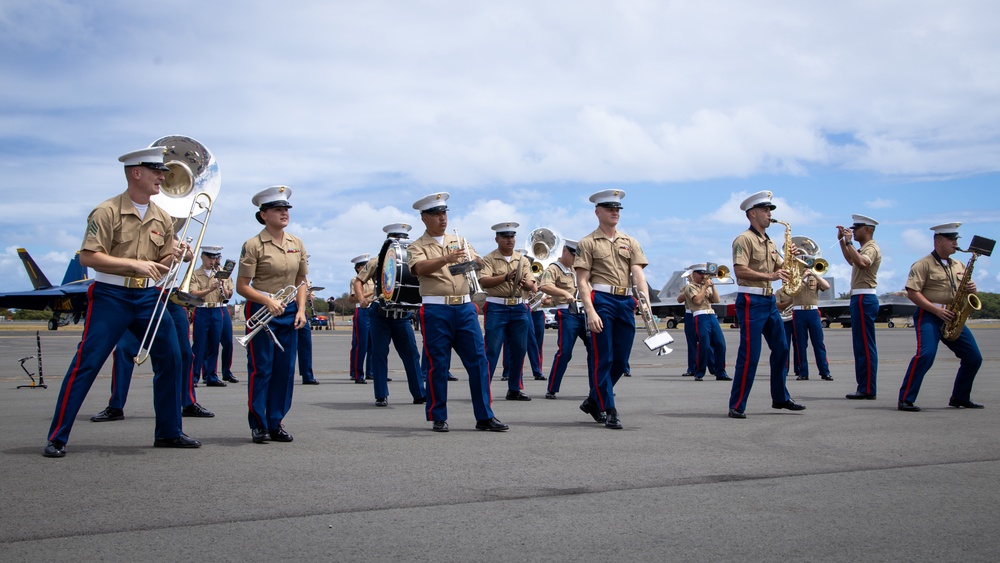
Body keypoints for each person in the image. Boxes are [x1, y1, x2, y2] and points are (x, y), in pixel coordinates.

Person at [43, 146, 200, 457]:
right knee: (86, 363)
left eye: (163, 172)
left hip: (148, 297)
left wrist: (178, 256)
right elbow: (88, 256)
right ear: (136, 173)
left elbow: (161, 264)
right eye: (156, 171)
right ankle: (57, 437)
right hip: (111, 296)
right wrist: (133, 265)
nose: (162, 177)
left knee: (173, 358)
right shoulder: (107, 211)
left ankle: (169, 432)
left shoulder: (163, 217)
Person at [407, 192, 507, 433]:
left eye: (444, 213)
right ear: (424, 218)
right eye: (436, 214)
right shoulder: (417, 246)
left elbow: (479, 262)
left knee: (479, 361)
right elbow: (419, 268)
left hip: (464, 307)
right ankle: (438, 415)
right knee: (437, 364)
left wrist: (474, 260)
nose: (442, 219)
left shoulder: (459, 239)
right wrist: (446, 258)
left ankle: (485, 415)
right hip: (435, 309)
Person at [236, 185, 308, 444]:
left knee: (285, 370)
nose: (284, 213)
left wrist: (300, 310)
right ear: (263, 214)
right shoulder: (253, 245)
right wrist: (267, 300)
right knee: (262, 368)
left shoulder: (296, 243)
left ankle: (276, 421)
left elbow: (301, 281)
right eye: (277, 209)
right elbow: (242, 287)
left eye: (286, 208)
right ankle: (258, 423)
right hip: (262, 309)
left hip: (288, 310)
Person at [575, 189, 650, 430]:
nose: (614, 212)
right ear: (597, 212)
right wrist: (591, 311)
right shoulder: (587, 242)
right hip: (602, 301)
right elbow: (582, 280)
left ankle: (593, 400)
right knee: (602, 359)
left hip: (626, 301)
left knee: (621, 361)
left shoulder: (630, 241)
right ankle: (609, 409)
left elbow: (638, 274)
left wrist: (645, 302)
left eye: (617, 209)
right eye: (609, 208)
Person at [727, 190, 805, 419]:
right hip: (751, 299)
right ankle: (737, 404)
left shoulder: (770, 241)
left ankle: (780, 398)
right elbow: (739, 270)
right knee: (750, 354)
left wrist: (792, 258)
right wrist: (770, 277)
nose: (769, 214)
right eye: (765, 210)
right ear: (752, 214)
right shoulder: (744, 239)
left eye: (770, 210)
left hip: (769, 300)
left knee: (781, 348)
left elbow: (783, 267)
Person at [897, 222, 984, 412]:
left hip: (953, 316)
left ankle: (960, 397)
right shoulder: (923, 264)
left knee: (974, 357)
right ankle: (905, 399)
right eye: (951, 239)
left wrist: (973, 290)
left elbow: (966, 293)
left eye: (956, 239)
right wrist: (936, 311)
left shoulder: (959, 265)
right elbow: (912, 292)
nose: (955, 243)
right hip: (930, 315)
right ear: (938, 241)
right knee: (926, 355)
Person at [353, 223, 427, 406]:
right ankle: (381, 394)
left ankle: (419, 393)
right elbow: (358, 280)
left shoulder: (413, 259)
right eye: (396, 239)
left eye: (402, 240)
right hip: (380, 313)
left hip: (402, 315)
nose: (399, 243)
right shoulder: (377, 261)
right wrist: (361, 297)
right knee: (379, 354)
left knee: (411, 354)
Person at [479, 221, 537, 401]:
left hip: (519, 307)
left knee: (519, 349)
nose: (510, 240)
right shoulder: (488, 259)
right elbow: (484, 281)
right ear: (497, 239)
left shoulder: (523, 260)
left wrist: (522, 281)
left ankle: (514, 388)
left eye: (512, 236)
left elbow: (533, 286)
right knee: (492, 350)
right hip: (497, 306)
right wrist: (505, 277)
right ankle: (483, 388)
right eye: (505, 237)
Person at [539, 239, 592, 399]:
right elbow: (544, 286)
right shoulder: (554, 268)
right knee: (565, 351)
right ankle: (552, 388)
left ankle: (598, 386)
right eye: (573, 254)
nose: (575, 258)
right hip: (567, 313)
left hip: (584, 312)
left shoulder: (579, 269)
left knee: (595, 350)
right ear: (564, 251)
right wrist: (564, 293)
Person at [838, 214, 881, 400]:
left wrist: (848, 243)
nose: (853, 231)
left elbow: (863, 263)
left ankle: (868, 388)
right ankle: (864, 386)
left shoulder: (871, 248)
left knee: (865, 345)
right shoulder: (863, 248)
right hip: (859, 297)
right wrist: (842, 241)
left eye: (857, 228)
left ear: (868, 230)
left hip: (865, 297)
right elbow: (851, 260)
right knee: (860, 345)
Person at [190, 245, 236, 387]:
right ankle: (194, 377)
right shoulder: (195, 274)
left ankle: (211, 375)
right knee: (199, 345)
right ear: (203, 257)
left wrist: (222, 286)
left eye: (215, 257)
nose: (213, 260)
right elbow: (193, 293)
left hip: (217, 309)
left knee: (214, 345)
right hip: (202, 309)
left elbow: (229, 294)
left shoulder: (222, 273)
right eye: (210, 257)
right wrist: (210, 288)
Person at [681, 264, 730, 382]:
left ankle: (720, 372)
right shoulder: (690, 287)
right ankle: (699, 372)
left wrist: (712, 287)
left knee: (720, 344)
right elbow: (697, 301)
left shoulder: (706, 287)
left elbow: (717, 300)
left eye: (704, 274)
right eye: (700, 273)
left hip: (711, 314)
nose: (703, 276)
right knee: (704, 345)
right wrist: (704, 288)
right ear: (694, 274)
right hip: (700, 315)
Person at [790, 271, 832, 381]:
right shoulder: (794, 278)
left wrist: (815, 275)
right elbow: (791, 289)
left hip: (813, 311)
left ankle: (825, 371)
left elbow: (827, 286)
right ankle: (803, 372)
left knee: (819, 343)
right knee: (801, 344)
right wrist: (802, 276)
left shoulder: (814, 279)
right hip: (799, 312)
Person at [348, 253, 373, 384]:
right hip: (362, 310)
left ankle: (371, 371)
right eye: (364, 266)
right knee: (361, 344)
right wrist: (372, 293)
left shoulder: (374, 279)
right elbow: (356, 297)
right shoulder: (355, 280)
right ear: (358, 268)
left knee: (373, 344)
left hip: (373, 310)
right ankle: (357, 373)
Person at [297, 274, 319, 384]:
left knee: (306, 345)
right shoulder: (286, 276)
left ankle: (307, 375)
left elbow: (312, 296)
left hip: (302, 312)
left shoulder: (307, 281)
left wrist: (309, 296)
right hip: (287, 311)